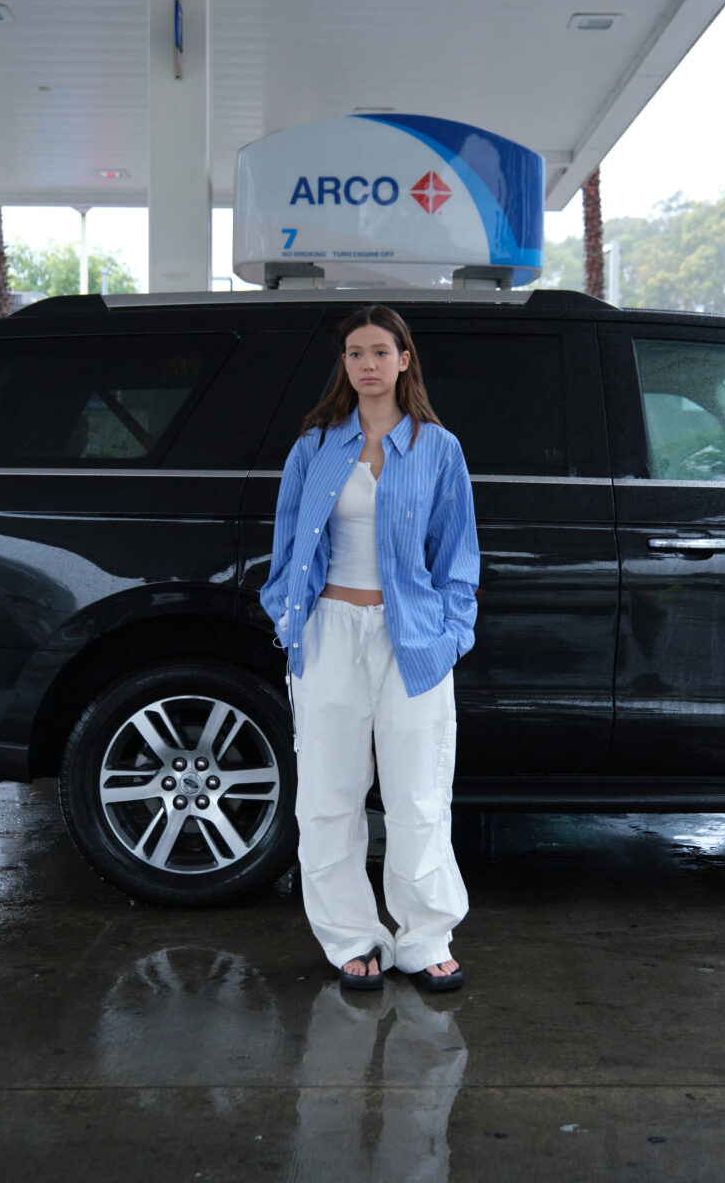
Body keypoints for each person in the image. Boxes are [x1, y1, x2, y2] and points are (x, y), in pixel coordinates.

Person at [260, 305, 480, 992]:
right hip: (329, 634)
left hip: (413, 638)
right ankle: (351, 937)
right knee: (328, 795)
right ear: (345, 364)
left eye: (380, 351)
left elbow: (458, 557)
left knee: (419, 794)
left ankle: (425, 936)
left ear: (404, 360)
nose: (367, 364)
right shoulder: (315, 447)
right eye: (355, 353)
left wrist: (451, 636)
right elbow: (285, 549)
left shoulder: (439, 449)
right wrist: (289, 622)